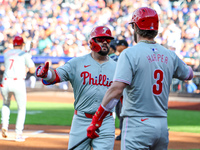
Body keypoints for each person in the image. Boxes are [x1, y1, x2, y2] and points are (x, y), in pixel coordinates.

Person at [86, 7, 194, 150]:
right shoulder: (170, 55)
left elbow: (116, 90)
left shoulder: (129, 54)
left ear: (136, 27)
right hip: (161, 125)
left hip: (137, 124)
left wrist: (97, 119)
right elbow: (189, 74)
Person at [36, 26, 116, 150]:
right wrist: (47, 74)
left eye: (108, 40)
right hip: (82, 120)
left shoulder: (117, 67)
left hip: (105, 121)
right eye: (101, 39)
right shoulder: (77, 63)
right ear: (92, 41)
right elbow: (56, 75)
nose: (105, 42)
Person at [1, 36, 35, 142]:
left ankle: (5, 125)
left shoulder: (6, 53)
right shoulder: (24, 54)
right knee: (21, 108)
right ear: (22, 44)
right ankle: (18, 133)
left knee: (6, 104)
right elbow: (33, 70)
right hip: (18, 82)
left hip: (5, 81)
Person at [114, 39, 129, 141]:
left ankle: (124, 133)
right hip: (121, 91)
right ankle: (123, 132)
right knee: (120, 112)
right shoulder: (122, 56)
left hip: (126, 91)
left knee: (123, 112)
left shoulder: (128, 56)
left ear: (123, 46)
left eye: (118, 45)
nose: (116, 47)